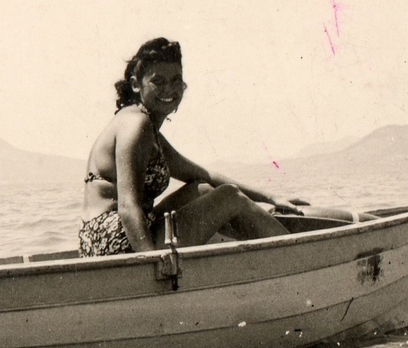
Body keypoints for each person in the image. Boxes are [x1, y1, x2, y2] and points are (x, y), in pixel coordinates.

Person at [78, 38, 309, 257]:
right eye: (158, 81)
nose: (169, 89)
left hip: (108, 237)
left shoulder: (144, 127)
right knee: (228, 197)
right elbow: (128, 206)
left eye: (176, 80)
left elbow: (203, 174)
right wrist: (152, 264)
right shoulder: (136, 125)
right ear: (136, 85)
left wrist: (272, 197)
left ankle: (269, 241)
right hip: (115, 240)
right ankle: (298, 256)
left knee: (203, 189)